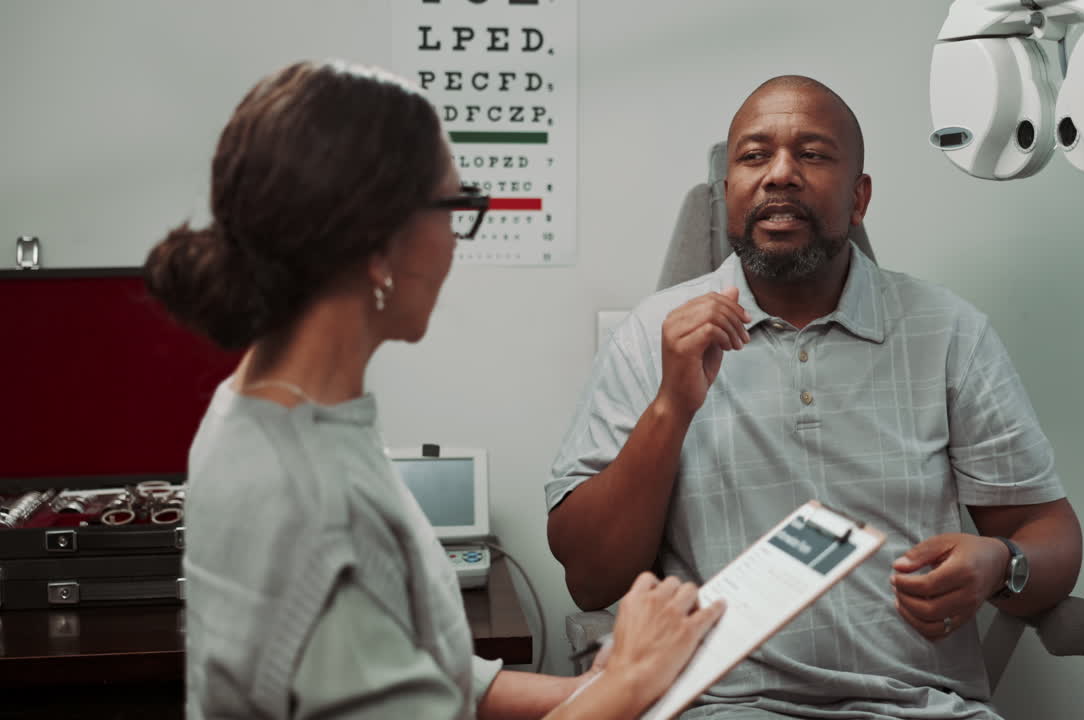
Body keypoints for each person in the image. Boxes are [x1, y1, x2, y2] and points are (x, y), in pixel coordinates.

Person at [143, 59, 724, 720]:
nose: (455, 239)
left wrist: (602, 682)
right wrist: (631, 681)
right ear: (377, 245)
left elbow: (429, 671)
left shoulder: (267, 410)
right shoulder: (320, 504)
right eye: (454, 206)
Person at [545, 75, 1083, 719]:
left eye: (812, 153)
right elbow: (590, 578)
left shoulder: (949, 333)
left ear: (859, 199)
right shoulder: (652, 335)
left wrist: (1000, 562)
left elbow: (1049, 531)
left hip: (918, 706)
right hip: (722, 705)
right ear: (727, 197)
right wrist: (670, 407)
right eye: (754, 156)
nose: (780, 174)